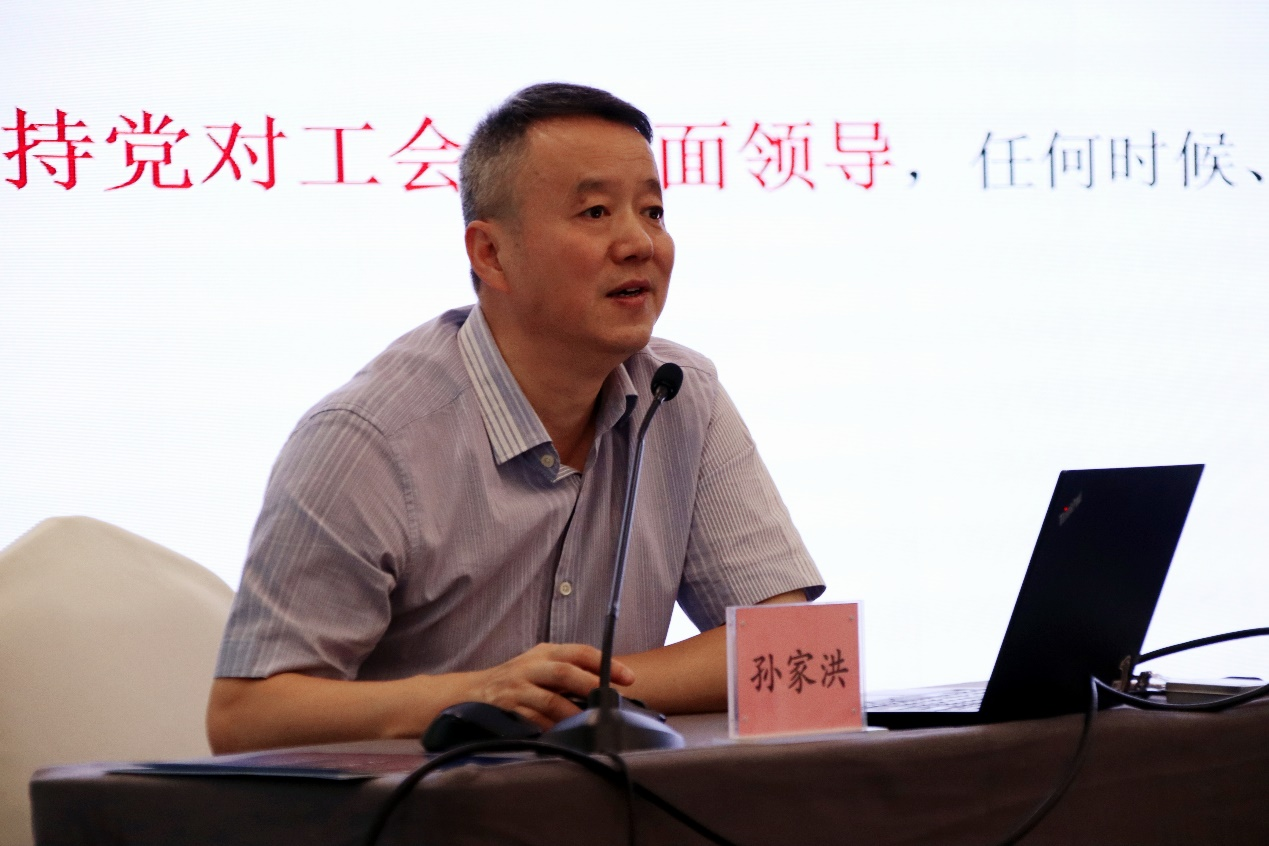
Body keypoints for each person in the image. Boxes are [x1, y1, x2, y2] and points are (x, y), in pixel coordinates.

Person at [206, 83, 824, 754]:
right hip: (427, 804)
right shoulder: (369, 439)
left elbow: (789, 646)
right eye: (595, 212)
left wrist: (570, 691)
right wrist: (472, 696)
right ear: (490, 254)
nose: (638, 242)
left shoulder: (677, 395)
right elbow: (244, 716)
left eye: (652, 210)